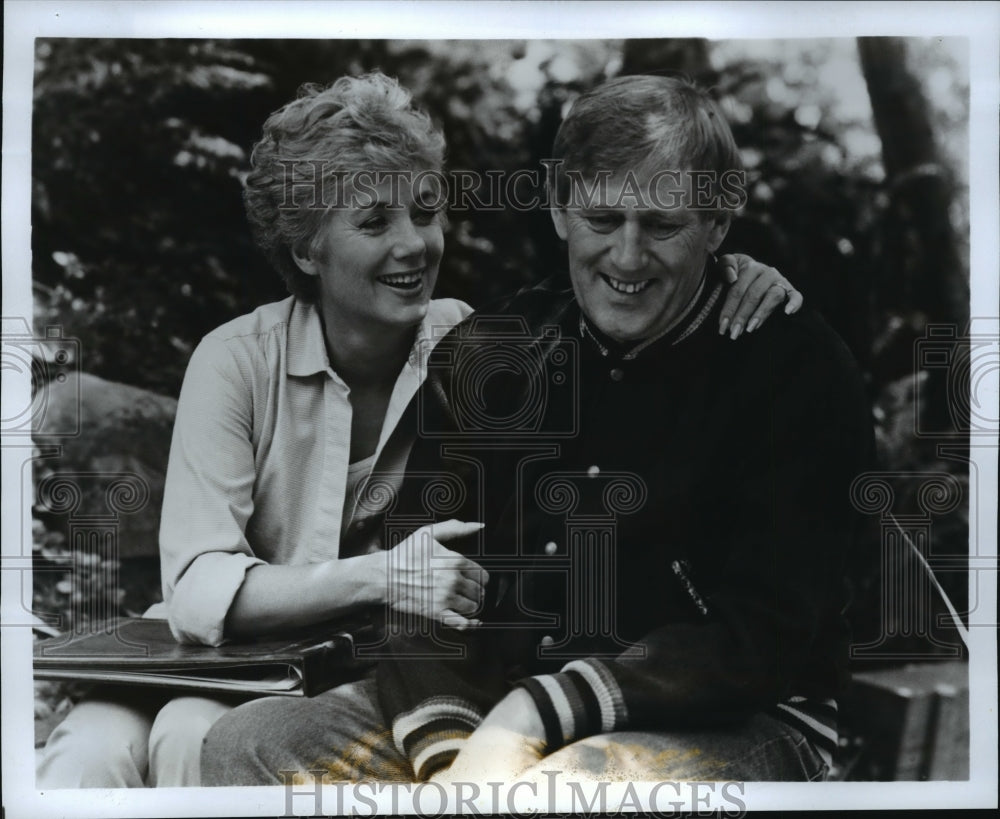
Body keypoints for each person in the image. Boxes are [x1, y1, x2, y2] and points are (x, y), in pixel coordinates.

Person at [35, 72, 795, 789]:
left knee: (191, 737)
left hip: (348, 672)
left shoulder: (469, 345)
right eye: (374, 221)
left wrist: (728, 269)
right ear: (305, 247)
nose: (413, 244)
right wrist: (384, 574)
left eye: (425, 212)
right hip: (204, 657)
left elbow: (622, 289)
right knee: (92, 752)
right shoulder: (235, 360)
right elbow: (199, 592)